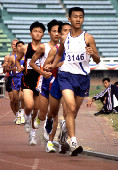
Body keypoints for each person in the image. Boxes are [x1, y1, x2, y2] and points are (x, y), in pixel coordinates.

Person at [45, 7, 100, 156]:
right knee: (69, 106)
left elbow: (97, 59)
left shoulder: (88, 38)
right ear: (69, 19)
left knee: (73, 113)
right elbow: (60, 53)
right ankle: (73, 141)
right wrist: (54, 64)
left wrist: (92, 53)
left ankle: (64, 133)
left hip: (82, 78)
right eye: (75, 16)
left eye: (81, 17)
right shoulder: (64, 38)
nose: (78, 19)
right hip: (66, 76)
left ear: (83, 19)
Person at [29, 19, 62, 136]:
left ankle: (50, 136)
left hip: (59, 81)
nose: (57, 34)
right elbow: (31, 63)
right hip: (45, 81)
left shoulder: (65, 47)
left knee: (54, 112)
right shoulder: (43, 47)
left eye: (59, 31)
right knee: (42, 114)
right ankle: (40, 117)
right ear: (49, 33)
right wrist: (43, 73)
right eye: (54, 31)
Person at [43, 22, 72, 153]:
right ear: (60, 34)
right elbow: (46, 64)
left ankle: (62, 141)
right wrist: (52, 66)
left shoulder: (76, 48)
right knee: (53, 114)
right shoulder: (56, 48)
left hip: (70, 84)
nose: (68, 33)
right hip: (56, 82)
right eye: (65, 31)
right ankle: (50, 141)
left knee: (68, 113)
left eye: (70, 31)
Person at [16, 21, 46, 145]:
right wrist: (19, 67)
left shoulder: (45, 48)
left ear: (43, 34)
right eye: (35, 31)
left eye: (40, 32)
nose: (37, 33)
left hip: (39, 82)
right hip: (27, 80)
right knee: (28, 106)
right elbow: (17, 60)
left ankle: (32, 135)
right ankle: (27, 119)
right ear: (30, 33)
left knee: (36, 109)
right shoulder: (25, 48)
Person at [3, 38, 23, 125]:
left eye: (17, 45)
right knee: (13, 100)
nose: (15, 47)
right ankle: (17, 115)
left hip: (22, 79)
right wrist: (10, 68)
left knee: (22, 98)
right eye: (14, 45)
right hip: (12, 79)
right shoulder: (9, 57)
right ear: (12, 46)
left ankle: (22, 114)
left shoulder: (25, 56)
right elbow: (5, 69)